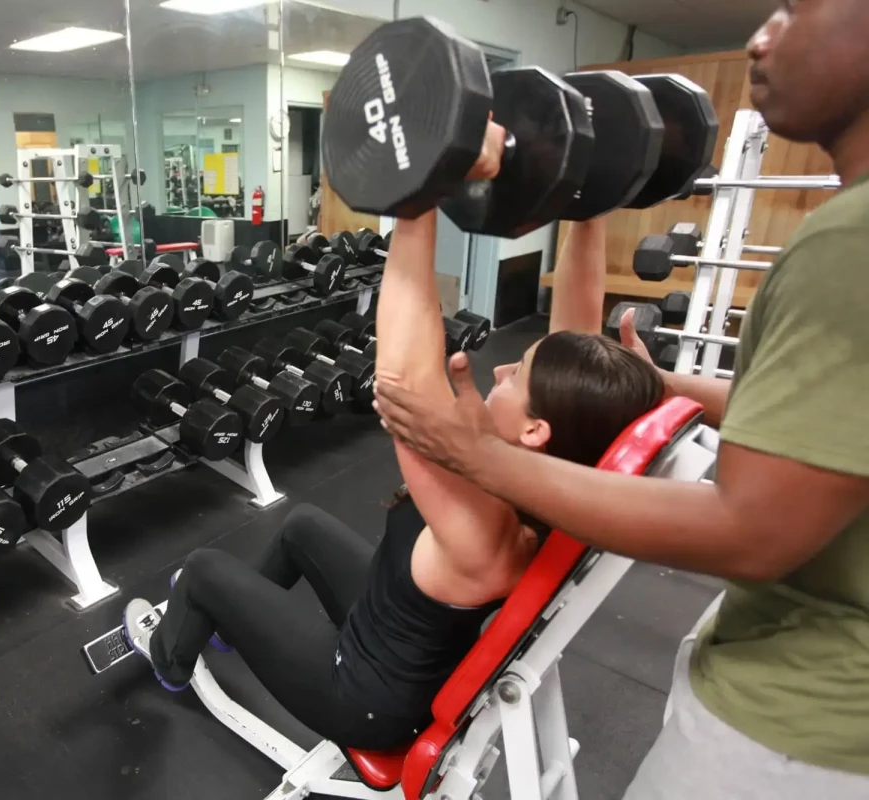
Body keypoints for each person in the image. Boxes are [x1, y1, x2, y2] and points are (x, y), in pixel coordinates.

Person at [373, 2, 869, 796]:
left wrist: (471, 451)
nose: (761, 34)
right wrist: (588, 199)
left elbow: (752, 528)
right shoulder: (568, 445)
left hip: (798, 725)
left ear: (538, 431)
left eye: (796, 7)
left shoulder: (852, 242)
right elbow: (581, 366)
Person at [120, 142, 663, 750]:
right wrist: (589, 206)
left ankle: (169, 656)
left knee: (202, 570)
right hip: (397, 625)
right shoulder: (562, 477)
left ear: (537, 429)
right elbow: (577, 343)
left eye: (520, 374)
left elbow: (404, 369)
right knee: (300, 526)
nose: (503, 369)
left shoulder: (482, 521)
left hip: (362, 696)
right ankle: (231, 626)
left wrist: (418, 193)